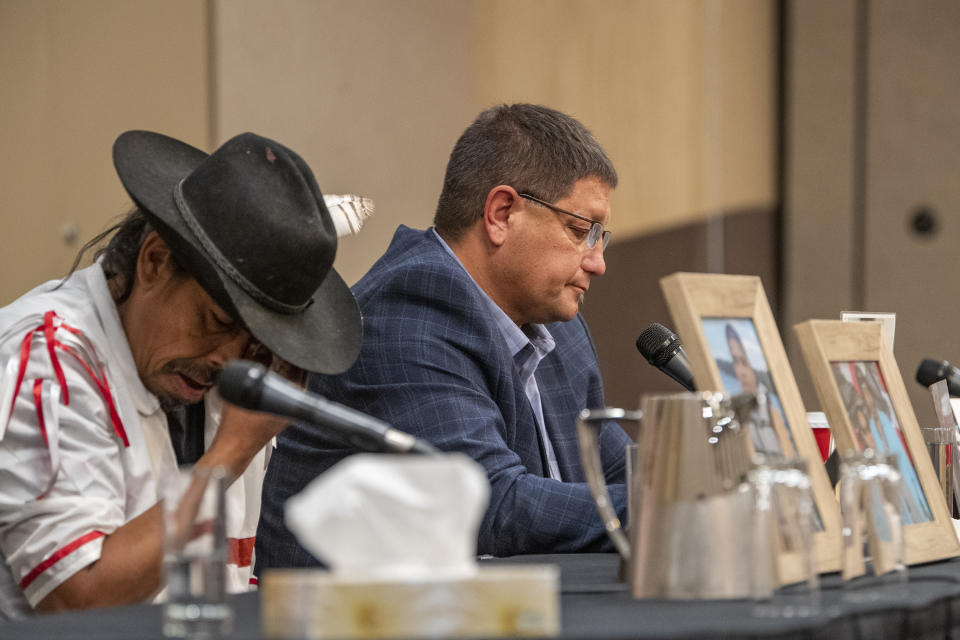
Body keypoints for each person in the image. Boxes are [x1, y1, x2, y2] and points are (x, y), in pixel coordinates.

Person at [0, 131, 361, 619]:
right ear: (154, 261)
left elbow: (221, 595)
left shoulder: (228, 389)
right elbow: (77, 604)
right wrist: (225, 458)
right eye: (217, 321)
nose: (227, 359)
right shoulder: (48, 359)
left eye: (256, 345)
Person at [256, 104, 631, 568]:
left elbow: (612, 464)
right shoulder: (406, 313)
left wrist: (704, 483)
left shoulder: (558, 327)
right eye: (580, 231)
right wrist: (663, 508)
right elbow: (489, 505)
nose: (597, 262)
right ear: (501, 213)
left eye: (600, 237)